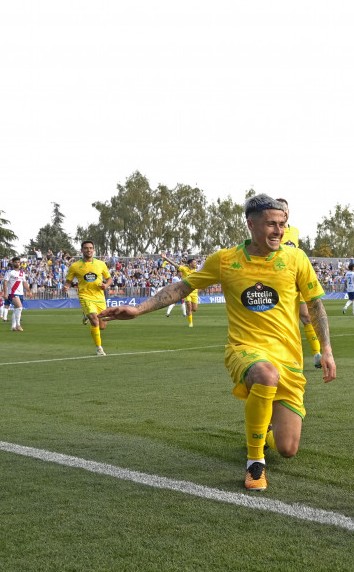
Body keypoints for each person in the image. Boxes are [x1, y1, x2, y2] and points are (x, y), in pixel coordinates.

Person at [100, 194, 337, 491]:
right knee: (265, 374)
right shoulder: (225, 260)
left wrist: (326, 350)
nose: (278, 230)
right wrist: (138, 309)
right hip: (245, 349)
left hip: (288, 356)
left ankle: (262, 428)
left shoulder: (295, 258)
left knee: (288, 449)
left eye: (282, 224)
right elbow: (184, 286)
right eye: (271, 224)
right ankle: (255, 464)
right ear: (251, 225)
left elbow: (315, 305)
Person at [276, 198, 323, 368]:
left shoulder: (294, 231)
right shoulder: (272, 232)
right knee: (283, 321)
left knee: (306, 316)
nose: (284, 212)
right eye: (280, 209)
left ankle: (317, 354)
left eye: (286, 209)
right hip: (278, 283)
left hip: (296, 280)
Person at [63, 240, 113, 356]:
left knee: (102, 326)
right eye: (86, 248)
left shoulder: (101, 264)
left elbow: (109, 279)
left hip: (100, 297)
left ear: (93, 250)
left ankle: (86, 315)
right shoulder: (75, 266)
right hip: (85, 296)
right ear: (82, 250)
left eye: (91, 248)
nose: (88, 250)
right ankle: (99, 349)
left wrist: (106, 285)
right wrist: (66, 286)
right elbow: (68, 281)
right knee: (94, 320)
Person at [161, 253, 200, 327]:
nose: (196, 264)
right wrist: (166, 258)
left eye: (196, 263)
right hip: (187, 291)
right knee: (188, 305)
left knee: (194, 309)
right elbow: (175, 265)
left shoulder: (197, 271)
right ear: (190, 263)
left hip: (195, 292)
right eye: (194, 263)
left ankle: (189, 313)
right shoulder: (184, 269)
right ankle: (190, 323)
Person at [3, 256, 31, 331]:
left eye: (18, 262)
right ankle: (18, 325)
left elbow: (24, 283)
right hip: (12, 293)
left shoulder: (22, 273)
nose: (17, 263)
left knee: (16, 310)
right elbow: (5, 282)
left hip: (20, 293)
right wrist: (5, 293)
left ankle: (13, 326)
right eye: (16, 262)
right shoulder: (9, 272)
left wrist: (29, 291)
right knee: (20, 307)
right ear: (12, 263)